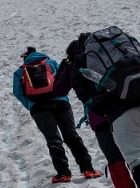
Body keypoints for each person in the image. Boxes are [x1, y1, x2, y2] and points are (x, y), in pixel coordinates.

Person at [69, 30, 140, 188]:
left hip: (121, 114)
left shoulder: (85, 59)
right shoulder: (127, 49)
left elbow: (81, 89)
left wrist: (102, 107)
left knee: (139, 162)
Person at [14, 46, 101, 184]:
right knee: (72, 136)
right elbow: (63, 79)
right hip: (60, 102)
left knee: (53, 139)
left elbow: (18, 92)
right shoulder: (51, 63)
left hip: (38, 107)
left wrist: (31, 105)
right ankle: (88, 169)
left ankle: (63, 173)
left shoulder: (20, 71)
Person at [54, 39, 133, 188]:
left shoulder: (76, 64)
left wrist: (63, 69)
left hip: (101, 117)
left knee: (115, 159)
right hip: (125, 111)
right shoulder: (107, 55)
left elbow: (59, 91)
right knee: (138, 156)